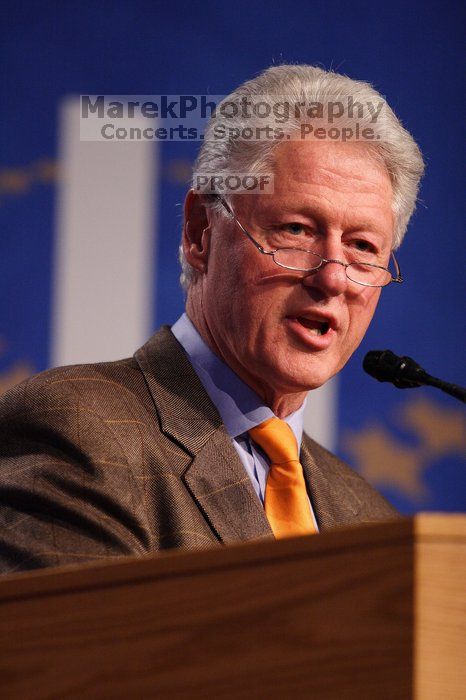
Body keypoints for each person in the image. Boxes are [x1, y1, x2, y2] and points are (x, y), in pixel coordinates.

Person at [0, 65, 424, 574]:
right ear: (201, 232)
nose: (333, 278)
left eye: (362, 247)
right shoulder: (81, 432)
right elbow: (76, 650)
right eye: (295, 228)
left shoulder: (369, 520)